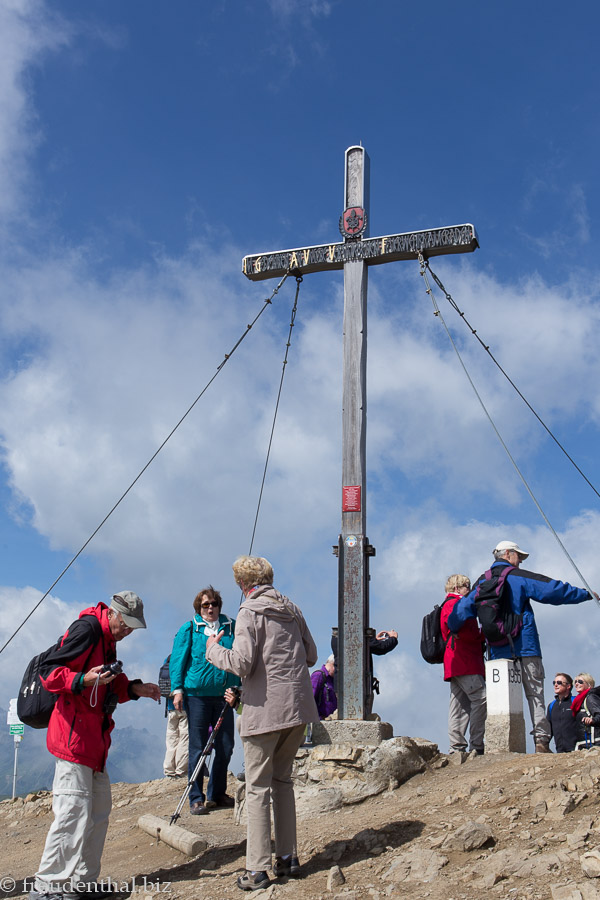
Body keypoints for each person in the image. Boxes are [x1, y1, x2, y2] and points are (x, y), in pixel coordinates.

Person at [31, 592, 160, 900]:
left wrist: (134, 688)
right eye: (125, 624)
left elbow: (109, 681)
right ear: (113, 614)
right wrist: (81, 680)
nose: (128, 631)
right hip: (73, 740)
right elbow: (48, 672)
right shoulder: (87, 630)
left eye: (133, 627)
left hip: (95, 742)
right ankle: (47, 887)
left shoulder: (108, 638)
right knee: (72, 812)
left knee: (99, 811)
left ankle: (83, 882)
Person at [205, 555, 318, 892]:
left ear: (243, 584)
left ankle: (256, 870)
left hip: (264, 711)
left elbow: (240, 662)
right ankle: (288, 858)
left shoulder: (248, 612)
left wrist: (213, 649)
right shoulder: (293, 609)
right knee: (283, 781)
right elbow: (311, 656)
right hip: (297, 709)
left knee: (257, 788)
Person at [448, 540, 594, 753]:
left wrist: (454, 628)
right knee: (535, 694)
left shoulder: (482, 582)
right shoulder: (518, 577)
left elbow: (459, 612)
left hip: (497, 650)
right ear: (508, 554)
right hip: (526, 645)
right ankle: (541, 742)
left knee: (502, 696)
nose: (521, 562)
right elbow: (553, 590)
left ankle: (501, 745)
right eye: (519, 557)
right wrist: (586, 594)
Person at [170, 586, 241, 815]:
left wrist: (238, 687)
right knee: (198, 747)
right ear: (198, 608)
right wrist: (177, 689)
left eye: (214, 604)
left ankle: (217, 794)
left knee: (226, 746)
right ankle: (196, 797)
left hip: (224, 695)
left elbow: (240, 657)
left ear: (219, 605)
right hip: (197, 696)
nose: (210, 608)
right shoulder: (189, 628)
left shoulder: (231, 626)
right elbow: (178, 660)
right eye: (205, 605)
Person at [440, 574, 486, 755]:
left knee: (459, 705)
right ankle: (477, 744)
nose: (469, 589)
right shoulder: (456, 605)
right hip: (466, 660)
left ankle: (456, 746)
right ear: (457, 588)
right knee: (481, 698)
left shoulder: (446, 605)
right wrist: (484, 634)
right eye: (466, 585)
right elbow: (469, 633)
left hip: (454, 662)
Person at [330, 627, 398, 715]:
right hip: (361, 687)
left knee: (343, 714)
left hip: (340, 686)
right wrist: (393, 638)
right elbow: (382, 648)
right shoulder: (356, 635)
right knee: (363, 714)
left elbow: (361, 647)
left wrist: (374, 640)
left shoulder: (337, 637)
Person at [163, 654, 189, 778]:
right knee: (184, 738)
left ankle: (169, 770)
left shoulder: (168, 658)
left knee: (171, 739)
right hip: (185, 706)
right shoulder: (188, 657)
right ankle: (181, 770)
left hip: (170, 706)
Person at [546, 672, 577, 753]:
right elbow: (548, 730)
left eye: (559, 683)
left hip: (577, 750)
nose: (556, 685)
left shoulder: (575, 701)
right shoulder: (551, 705)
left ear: (568, 686)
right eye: (554, 683)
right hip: (560, 752)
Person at [572, 672, 600, 750]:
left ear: (589, 685)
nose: (577, 684)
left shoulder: (591, 698)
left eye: (580, 682)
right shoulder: (579, 701)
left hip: (594, 744)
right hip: (584, 744)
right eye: (575, 682)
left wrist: (592, 720)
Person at [310, 655, 337, 720]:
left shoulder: (333, 679)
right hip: (319, 721)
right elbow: (310, 698)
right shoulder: (318, 675)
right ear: (332, 664)